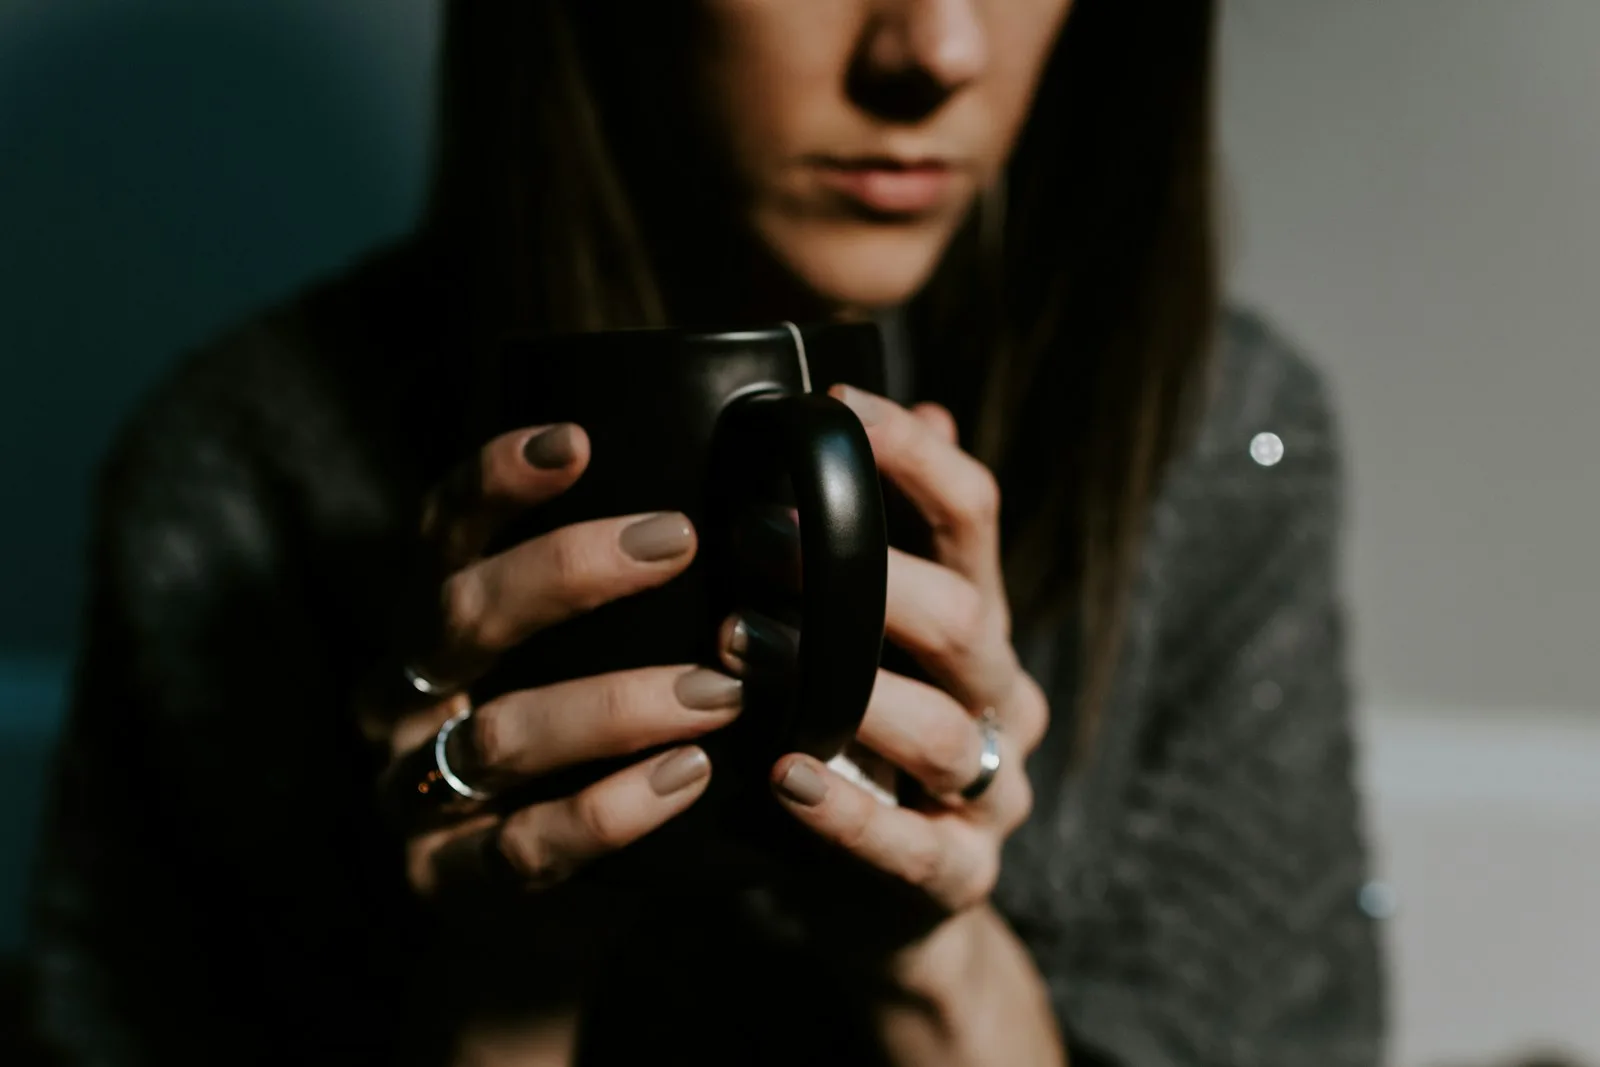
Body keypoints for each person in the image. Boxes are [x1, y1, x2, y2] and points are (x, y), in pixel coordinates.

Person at [27, 1, 1386, 1064]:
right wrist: (501, 990)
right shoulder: (253, 476)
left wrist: (937, 959)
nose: (937, 50)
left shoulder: (1213, 441)